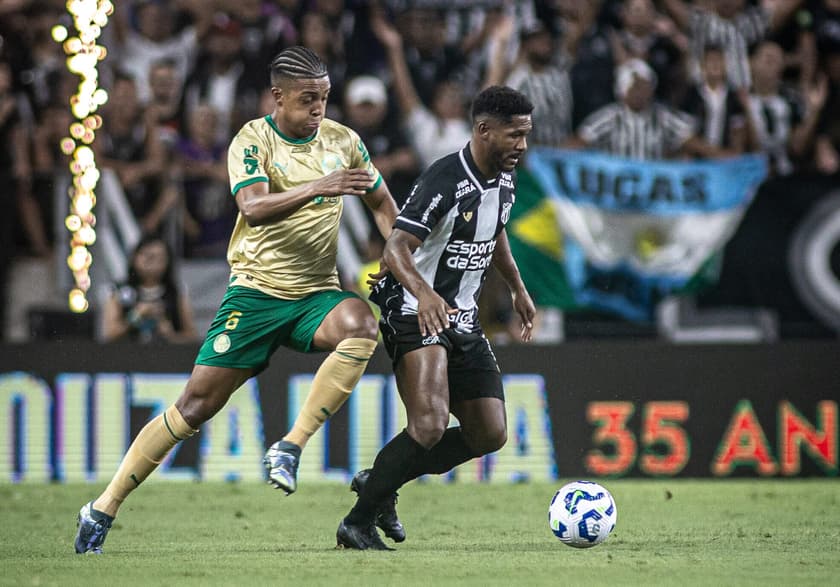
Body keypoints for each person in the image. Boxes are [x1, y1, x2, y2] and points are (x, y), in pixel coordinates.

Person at [74, 45, 399, 554]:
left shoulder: (344, 141)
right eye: (308, 99)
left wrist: (394, 251)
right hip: (255, 295)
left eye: (325, 98)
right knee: (194, 406)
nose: (319, 109)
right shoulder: (252, 139)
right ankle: (102, 507)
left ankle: (290, 446)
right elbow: (253, 206)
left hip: (316, 293)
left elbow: (381, 201)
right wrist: (322, 186)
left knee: (361, 324)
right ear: (278, 97)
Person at [335, 85, 537, 551]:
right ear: (484, 130)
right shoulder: (445, 178)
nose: (522, 145)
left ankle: (381, 481)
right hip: (414, 311)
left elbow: (496, 231)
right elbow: (395, 247)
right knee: (427, 425)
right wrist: (424, 294)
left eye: (526, 135)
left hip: (462, 317)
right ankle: (357, 522)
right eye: (514, 135)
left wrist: (517, 286)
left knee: (490, 433)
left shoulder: (505, 178)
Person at [101, 234, 199, 343]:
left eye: (160, 258)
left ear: (168, 262)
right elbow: (109, 335)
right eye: (148, 257)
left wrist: (170, 334)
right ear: (135, 258)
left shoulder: (176, 292)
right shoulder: (119, 291)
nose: (152, 263)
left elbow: (192, 337)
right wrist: (136, 315)